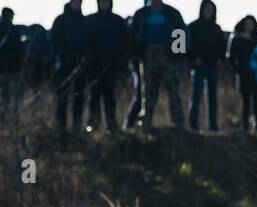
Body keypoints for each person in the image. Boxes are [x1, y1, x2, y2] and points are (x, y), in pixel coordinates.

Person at [129, 0, 187, 128]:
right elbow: (132, 34)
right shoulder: (141, 14)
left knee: (173, 89)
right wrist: (134, 53)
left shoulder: (172, 13)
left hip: (169, 56)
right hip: (147, 56)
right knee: (148, 90)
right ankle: (145, 123)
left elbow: (182, 32)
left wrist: (179, 53)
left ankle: (178, 123)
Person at [86, 0, 129, 132]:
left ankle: (111, 124)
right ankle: (93, 124)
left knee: (109, 96)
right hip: (93, 66)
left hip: (111, 66)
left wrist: (121, 62)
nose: (104, 4)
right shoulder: (90, 20)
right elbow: (85, 43)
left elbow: (124, 43)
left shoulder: (118, 21)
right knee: (93, 96)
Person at [187, 0, 224, 131]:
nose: (208, 11)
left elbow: (222, 46)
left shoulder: (217, 28)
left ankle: (213, 126)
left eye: (211, 9)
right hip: (199, 66)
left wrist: (221, 59)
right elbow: (188, 45)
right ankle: (193, 125)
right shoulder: (193, 26)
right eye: (206, 8)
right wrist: (193, 58)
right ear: (202, 10)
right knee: (196, 96)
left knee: (213, 97)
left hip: (213, 66)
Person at [50, 0, 87, 131]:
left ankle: (77, 126)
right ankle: (61, 127)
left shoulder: (83, 20)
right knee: (62, 97)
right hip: (63, 65)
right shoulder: (60, 20)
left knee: (79, 96)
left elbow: (87, 42)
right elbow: (53, 41)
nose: (78, 4)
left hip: (80, 66)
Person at [0, 7, 25, 126]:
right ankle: (14, 124)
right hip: (14, 70)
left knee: (2, 100)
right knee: (15, 100)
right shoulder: (13, 30)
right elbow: (21, 50)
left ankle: (2, 125)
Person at [227, 14, 257, 129]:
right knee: (245, 100)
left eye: (251, 24)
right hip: (243, 73)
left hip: (256, 73)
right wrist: (237, 69)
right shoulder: (236, 38)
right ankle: (244, 125)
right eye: (247, 24)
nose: (249, 26)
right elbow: (230, 57)